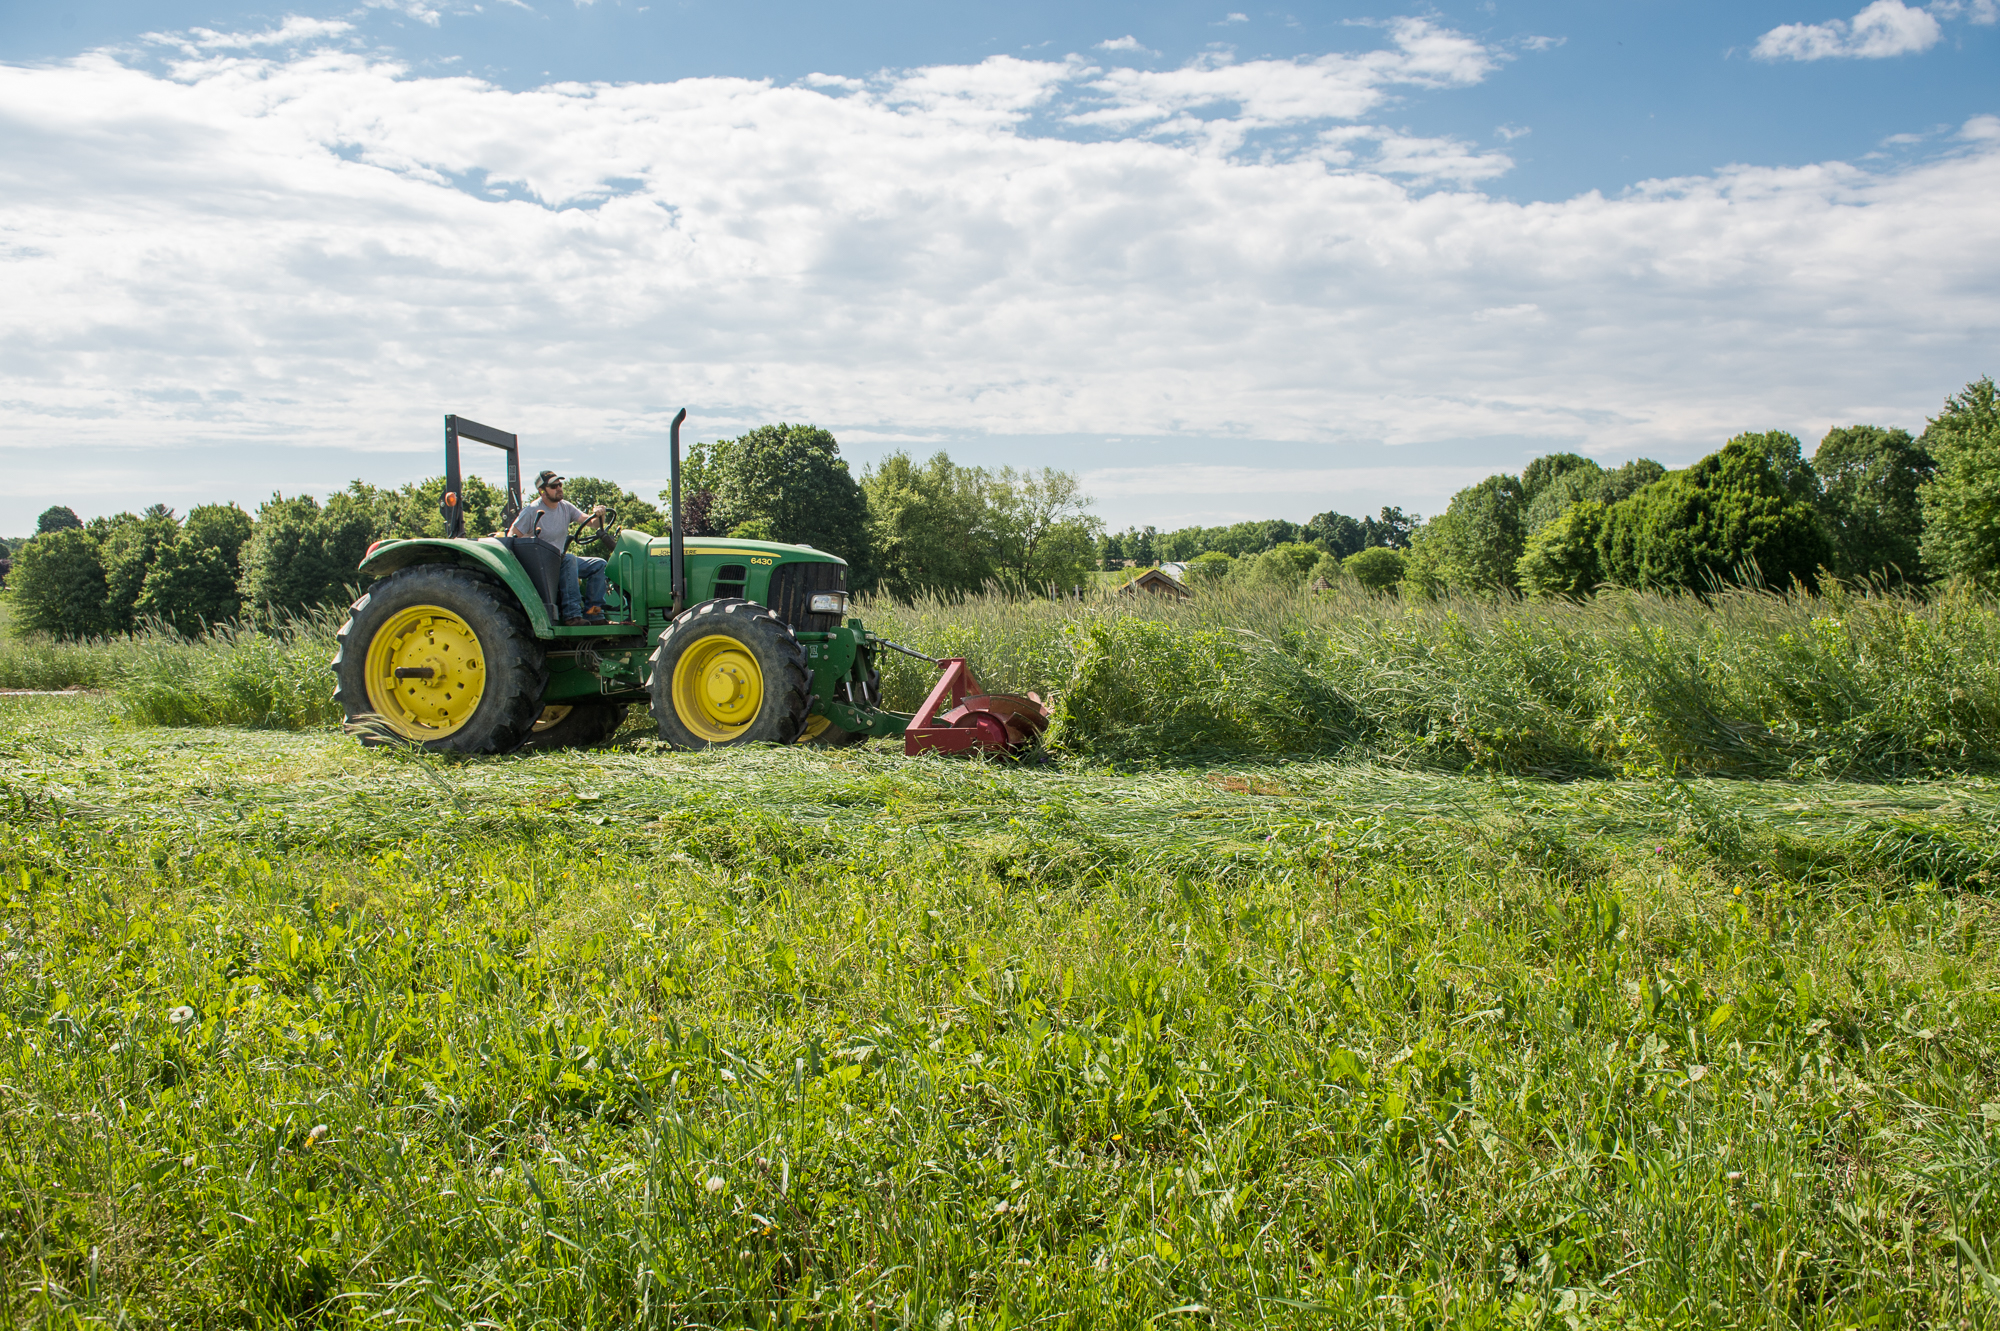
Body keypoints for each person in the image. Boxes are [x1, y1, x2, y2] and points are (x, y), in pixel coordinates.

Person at [509, 471, 614, 625]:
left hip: (559, 559)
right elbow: (513, 536)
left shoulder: (565, 507)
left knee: (599, 565)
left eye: (560, 484)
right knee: (569, 559)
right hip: (542, 564)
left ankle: (593, 613)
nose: (559, 488)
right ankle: (572, 615)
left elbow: (593, 523)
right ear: (542, 491)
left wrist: (599, 515)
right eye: (553, 486)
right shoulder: (532, 511)